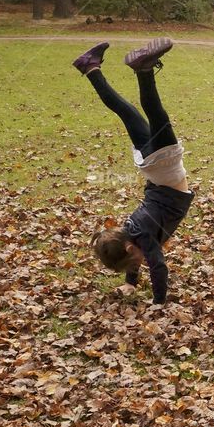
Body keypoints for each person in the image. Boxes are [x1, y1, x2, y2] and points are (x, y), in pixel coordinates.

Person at [73, 38, 194, 304]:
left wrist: (158, 302)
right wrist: (131, 283)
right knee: (126, 112)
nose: (139, 263)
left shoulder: (143, 238)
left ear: (129, 247)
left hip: (165, 169)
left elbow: (158, 266)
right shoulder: (133, 230)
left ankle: (144, 69)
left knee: (156, 115)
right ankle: (90, 66)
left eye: (133, 264)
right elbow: (144, 258)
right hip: (153, 170)